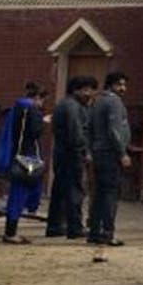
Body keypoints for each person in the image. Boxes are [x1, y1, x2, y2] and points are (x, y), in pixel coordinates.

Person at [45, 75, 96, 239]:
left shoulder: (64, 105)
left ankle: (55, 225)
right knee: (75, 191)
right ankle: (75, 227)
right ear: (76, 90)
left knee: (60, 190)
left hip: (62, 154)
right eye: (86, 89)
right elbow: (76, 133)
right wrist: (85, 152)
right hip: (72, 155)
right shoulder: (73, 107)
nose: (90, 93)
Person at [0, 82, 47, 244]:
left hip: (16, 156)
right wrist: (43, 121)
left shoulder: (17, 108)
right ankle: (10, 233)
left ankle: (11, 231)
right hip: (27, 158)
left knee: (16, 195)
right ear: (38, 97)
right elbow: (34, 132)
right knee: (19, 196)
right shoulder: (31, 110)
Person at [87, 71, 132, 246]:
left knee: (98, 193)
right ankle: (108, 232)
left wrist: (91, 149)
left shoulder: (96, 101)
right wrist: (122, 153)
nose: (123, 89)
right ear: (111, 85)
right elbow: (114, 130)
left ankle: (94, 231)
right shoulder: (114, 102)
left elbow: (89, 128)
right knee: (110, 194)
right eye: (120, 84)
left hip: (99, 152)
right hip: (110, 154)